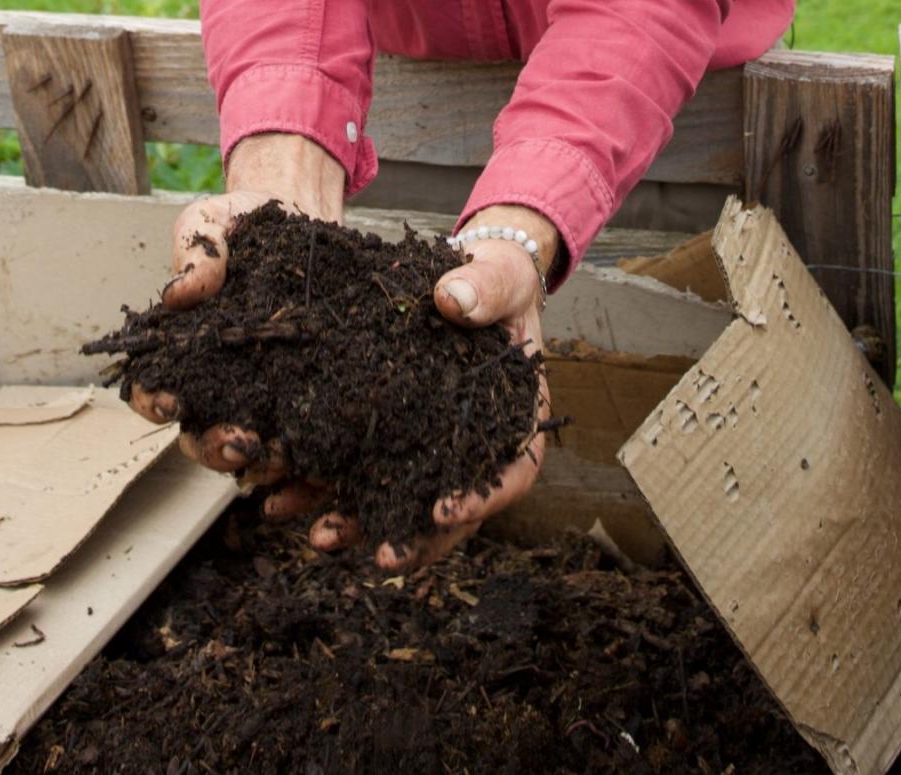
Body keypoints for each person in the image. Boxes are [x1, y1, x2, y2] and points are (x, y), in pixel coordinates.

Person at [127, 0, 794, 570]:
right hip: (388, 93)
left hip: (657, 92)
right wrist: (283, 168)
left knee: (726, 492)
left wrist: (529, 218)